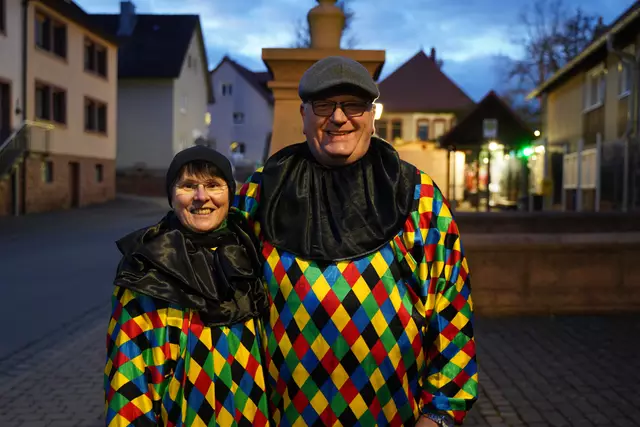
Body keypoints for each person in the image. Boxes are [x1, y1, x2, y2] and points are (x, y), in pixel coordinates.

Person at [234, 56, 477, 427]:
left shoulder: (419, 196)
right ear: (303, 115)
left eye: (353, 105)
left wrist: (439, 414)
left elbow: (452, 310)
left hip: (392, 415)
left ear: (372, 115)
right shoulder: (260, 192)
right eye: (323, 105)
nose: (338, 118)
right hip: (281, 414)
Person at [104, 146, 269, 426]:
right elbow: (127, 375)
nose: (201, 196)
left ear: (230, 194)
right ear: (171, 196)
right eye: (188, 186)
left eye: (213, 185)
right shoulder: (146, 267)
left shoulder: (249, 253)